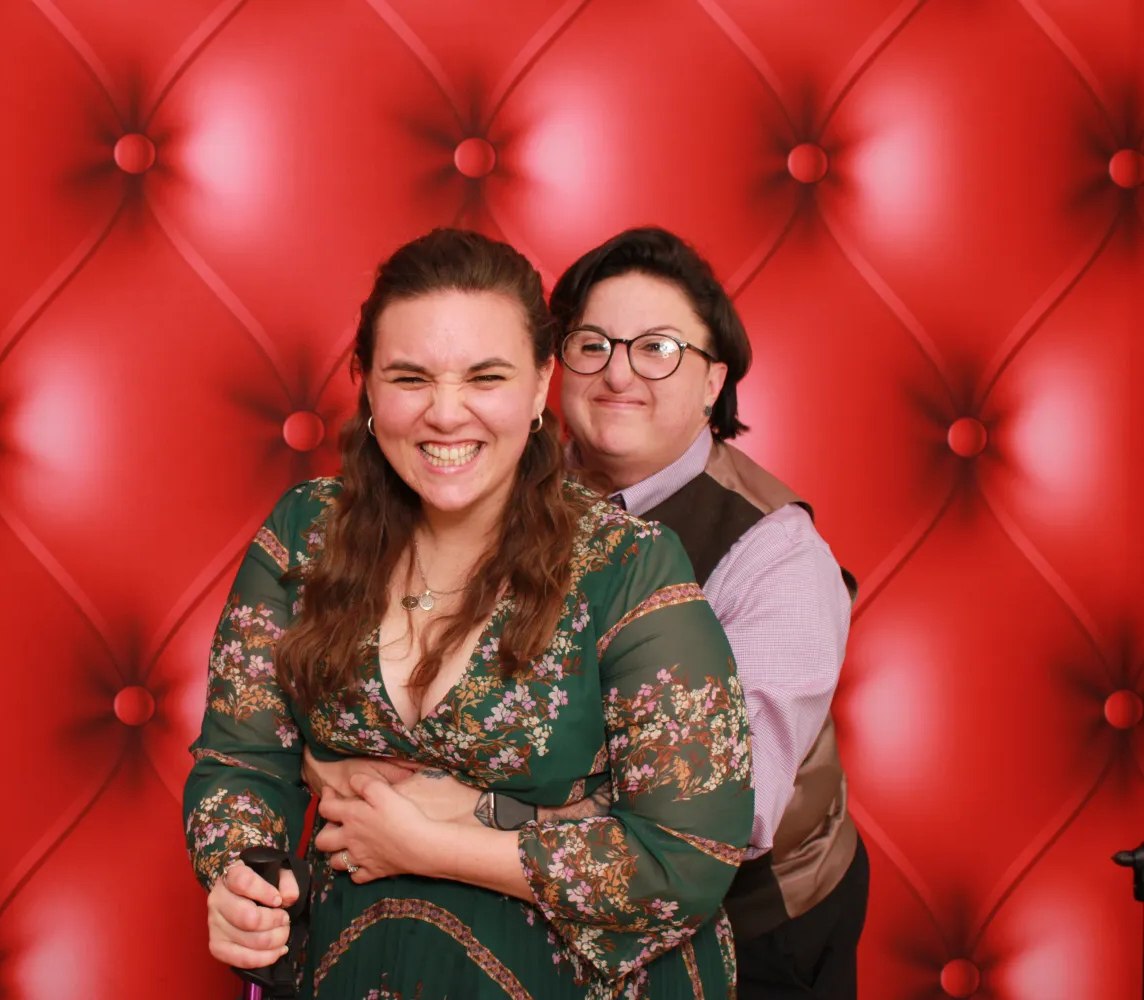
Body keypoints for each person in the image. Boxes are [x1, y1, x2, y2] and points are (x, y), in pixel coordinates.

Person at [182, 228, 755, 999]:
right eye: (410, 377)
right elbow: (239, 763)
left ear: (541, 381)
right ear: (366, 382)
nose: (446, 415)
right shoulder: (302, 535)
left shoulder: (626, 566)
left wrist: (434, 845)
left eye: (485, 376)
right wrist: (242, 882)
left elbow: (688, 858)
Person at [307, 226, 868, 998]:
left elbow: (725, 815)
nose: (618, 373)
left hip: (754, 926)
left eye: (659, 348)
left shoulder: (776, 556)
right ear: (548, 370)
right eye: (592, 344)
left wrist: (479, 812)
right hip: (529, 914)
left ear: (714, 381)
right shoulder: (487, 481)